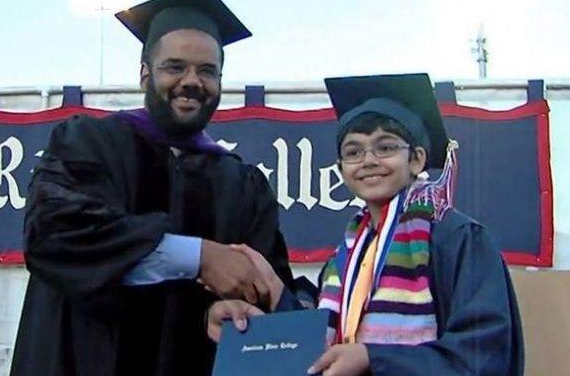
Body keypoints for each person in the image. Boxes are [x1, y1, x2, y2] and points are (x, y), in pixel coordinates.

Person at [10, 0, 293, 376]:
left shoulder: (242, 184)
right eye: (174, 67)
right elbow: (53, 236)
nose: (192, 81)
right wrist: (200, 257)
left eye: (207, 71)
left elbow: (268, 285)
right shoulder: (89, 144)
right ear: (145, 74)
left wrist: (233, 308)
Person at [207, 73, 524, 376]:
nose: (369, 160)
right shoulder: (346, 255)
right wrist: (275, 297)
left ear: (415, 159)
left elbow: (484, 356)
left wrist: (373, 358)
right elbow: (327, 340)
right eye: (353, 151)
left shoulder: (456, 239)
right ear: (342, 170)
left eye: (385, 147)